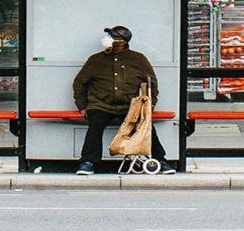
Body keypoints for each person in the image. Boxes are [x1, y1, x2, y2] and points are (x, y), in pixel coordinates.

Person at [72, 25, 175, 175]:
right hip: (100, 105)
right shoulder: (96, 59)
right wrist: (82, 106)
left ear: (121, 41)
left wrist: (149, 106)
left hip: (130, 106)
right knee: (95, 125)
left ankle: (160, 160)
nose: (107, 40)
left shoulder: (138, 59)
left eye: (111, 37)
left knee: (146, 127)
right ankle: (88, 162)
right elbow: (79, 82)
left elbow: (152, 83)